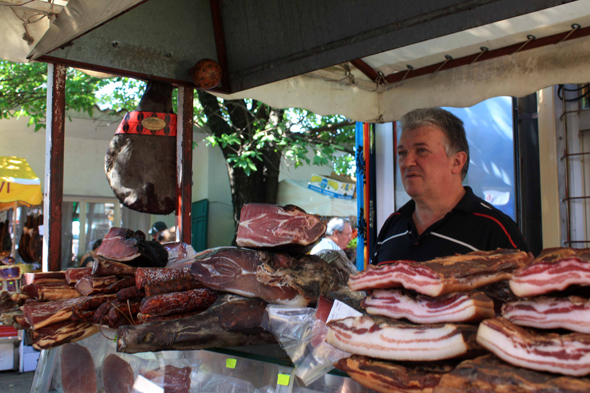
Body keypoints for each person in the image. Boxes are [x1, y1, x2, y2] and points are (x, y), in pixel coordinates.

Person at [374, 107, 529, 264]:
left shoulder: (495, 230)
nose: (407, 162)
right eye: (402, 153)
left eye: (421, 150)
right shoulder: (392, 225)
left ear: (457, 162)